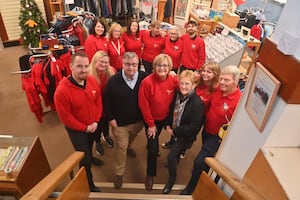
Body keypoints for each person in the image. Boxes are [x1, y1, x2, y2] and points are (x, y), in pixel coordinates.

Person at [180, 65, 242, 195]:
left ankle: (190, 189)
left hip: (218, 138)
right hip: (207, 131)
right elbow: (198, 78)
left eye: (227, 80)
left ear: (236, 82)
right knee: (206, 160)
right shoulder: (218, 89)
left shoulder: (238, 101)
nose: (222, 83)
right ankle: (204, 172)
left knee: (198, 162)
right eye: (221, 79)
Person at [54, 51, 102, 192]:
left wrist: (96, 121)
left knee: (90, 146)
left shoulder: (92, 80)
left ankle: (91, 157)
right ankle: (89, 183)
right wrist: (85, 128)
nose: (84, 70)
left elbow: (98, 100)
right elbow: (66, 118)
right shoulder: (61, 92)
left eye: (86, 66)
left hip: (93, 125)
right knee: (84, 159)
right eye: (79, 66)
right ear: (71, 67)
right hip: (77, 130)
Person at [103, 52, 148, 189]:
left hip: (137, 123)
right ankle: (119, 173)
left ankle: (129, 146)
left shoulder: (144, 78)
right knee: (121, 148)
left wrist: (171, 74)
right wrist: (110, 119)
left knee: (129, 141)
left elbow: (159, 78)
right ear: (122, 64)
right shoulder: (113, 81)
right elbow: (106, 101)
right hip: (120, 124)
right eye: (127, 64)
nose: (131, 68)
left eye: (134, 64)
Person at [138, 53, 178, 191]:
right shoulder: (147, 82)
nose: (162, 68)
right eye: (159, 65)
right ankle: (150, 174)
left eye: (165, 65)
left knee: (156, 138)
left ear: (170, 67)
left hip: (165, 118)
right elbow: (143, 105)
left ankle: (151, 143)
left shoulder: (173, 80)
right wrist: (150, 125)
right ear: (154, 66)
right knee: (154, 148)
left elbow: (186, 86)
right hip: (151, 119)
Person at [161, 62, 221, 152]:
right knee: (177, 124)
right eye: (203, 71)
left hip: (201, 116)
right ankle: (172, 141)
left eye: (209, 72)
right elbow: (185, 78)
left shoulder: (217, 89)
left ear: (215, 74)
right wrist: (171, 73)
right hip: (187, 109)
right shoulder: (198, 80)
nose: (205, 73)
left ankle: (184, 148)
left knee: (190, 133)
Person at [162, 70, 204, 194]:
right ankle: (176, 157)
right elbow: (170, 111)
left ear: (193, 85)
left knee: (170, 158)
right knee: (174, 155)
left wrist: (175, 132)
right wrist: (168, 124)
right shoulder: (176, 95)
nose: (184, 87)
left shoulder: (197, 103)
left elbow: (194, 127)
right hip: (174, 129)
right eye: (182, 84)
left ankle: (171, 180)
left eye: (187, 84)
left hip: (184, 135)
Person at [89, 51, 116, 155]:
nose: (104, 64)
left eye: (106, 62)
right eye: (101, 62)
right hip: (94, 105)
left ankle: (106, 135)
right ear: (95, 61)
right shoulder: (89, 74)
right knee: (97, 125)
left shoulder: (111, 70)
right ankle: (98, 141)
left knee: (106, 122)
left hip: (107, 104)